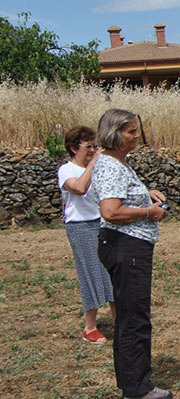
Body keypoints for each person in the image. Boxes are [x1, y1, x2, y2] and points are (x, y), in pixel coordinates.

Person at [93, 108, 172, 399]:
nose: (136, 136)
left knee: (129, 315)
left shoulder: (117, 164)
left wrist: (145, 193)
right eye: (130, 131)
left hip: (128, 246)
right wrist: (149, 212)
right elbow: (111, 211)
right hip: (128, 248)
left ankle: (132, 381)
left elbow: (119, 198)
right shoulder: (113, 166)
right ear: (115, 134)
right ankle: (137, 387)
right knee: (134, 317)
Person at [57, 126, 115, 344]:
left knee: (111, 271)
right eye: (88, 146)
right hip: (80, 227)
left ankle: (117, 319)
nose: (92, 150)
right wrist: (93, 163)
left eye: (95, 146)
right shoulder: (66, 170)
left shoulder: (96, 167)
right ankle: (90, 327)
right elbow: (79, 188)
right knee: (90, 272)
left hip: (102, 223)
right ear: (73, 148)